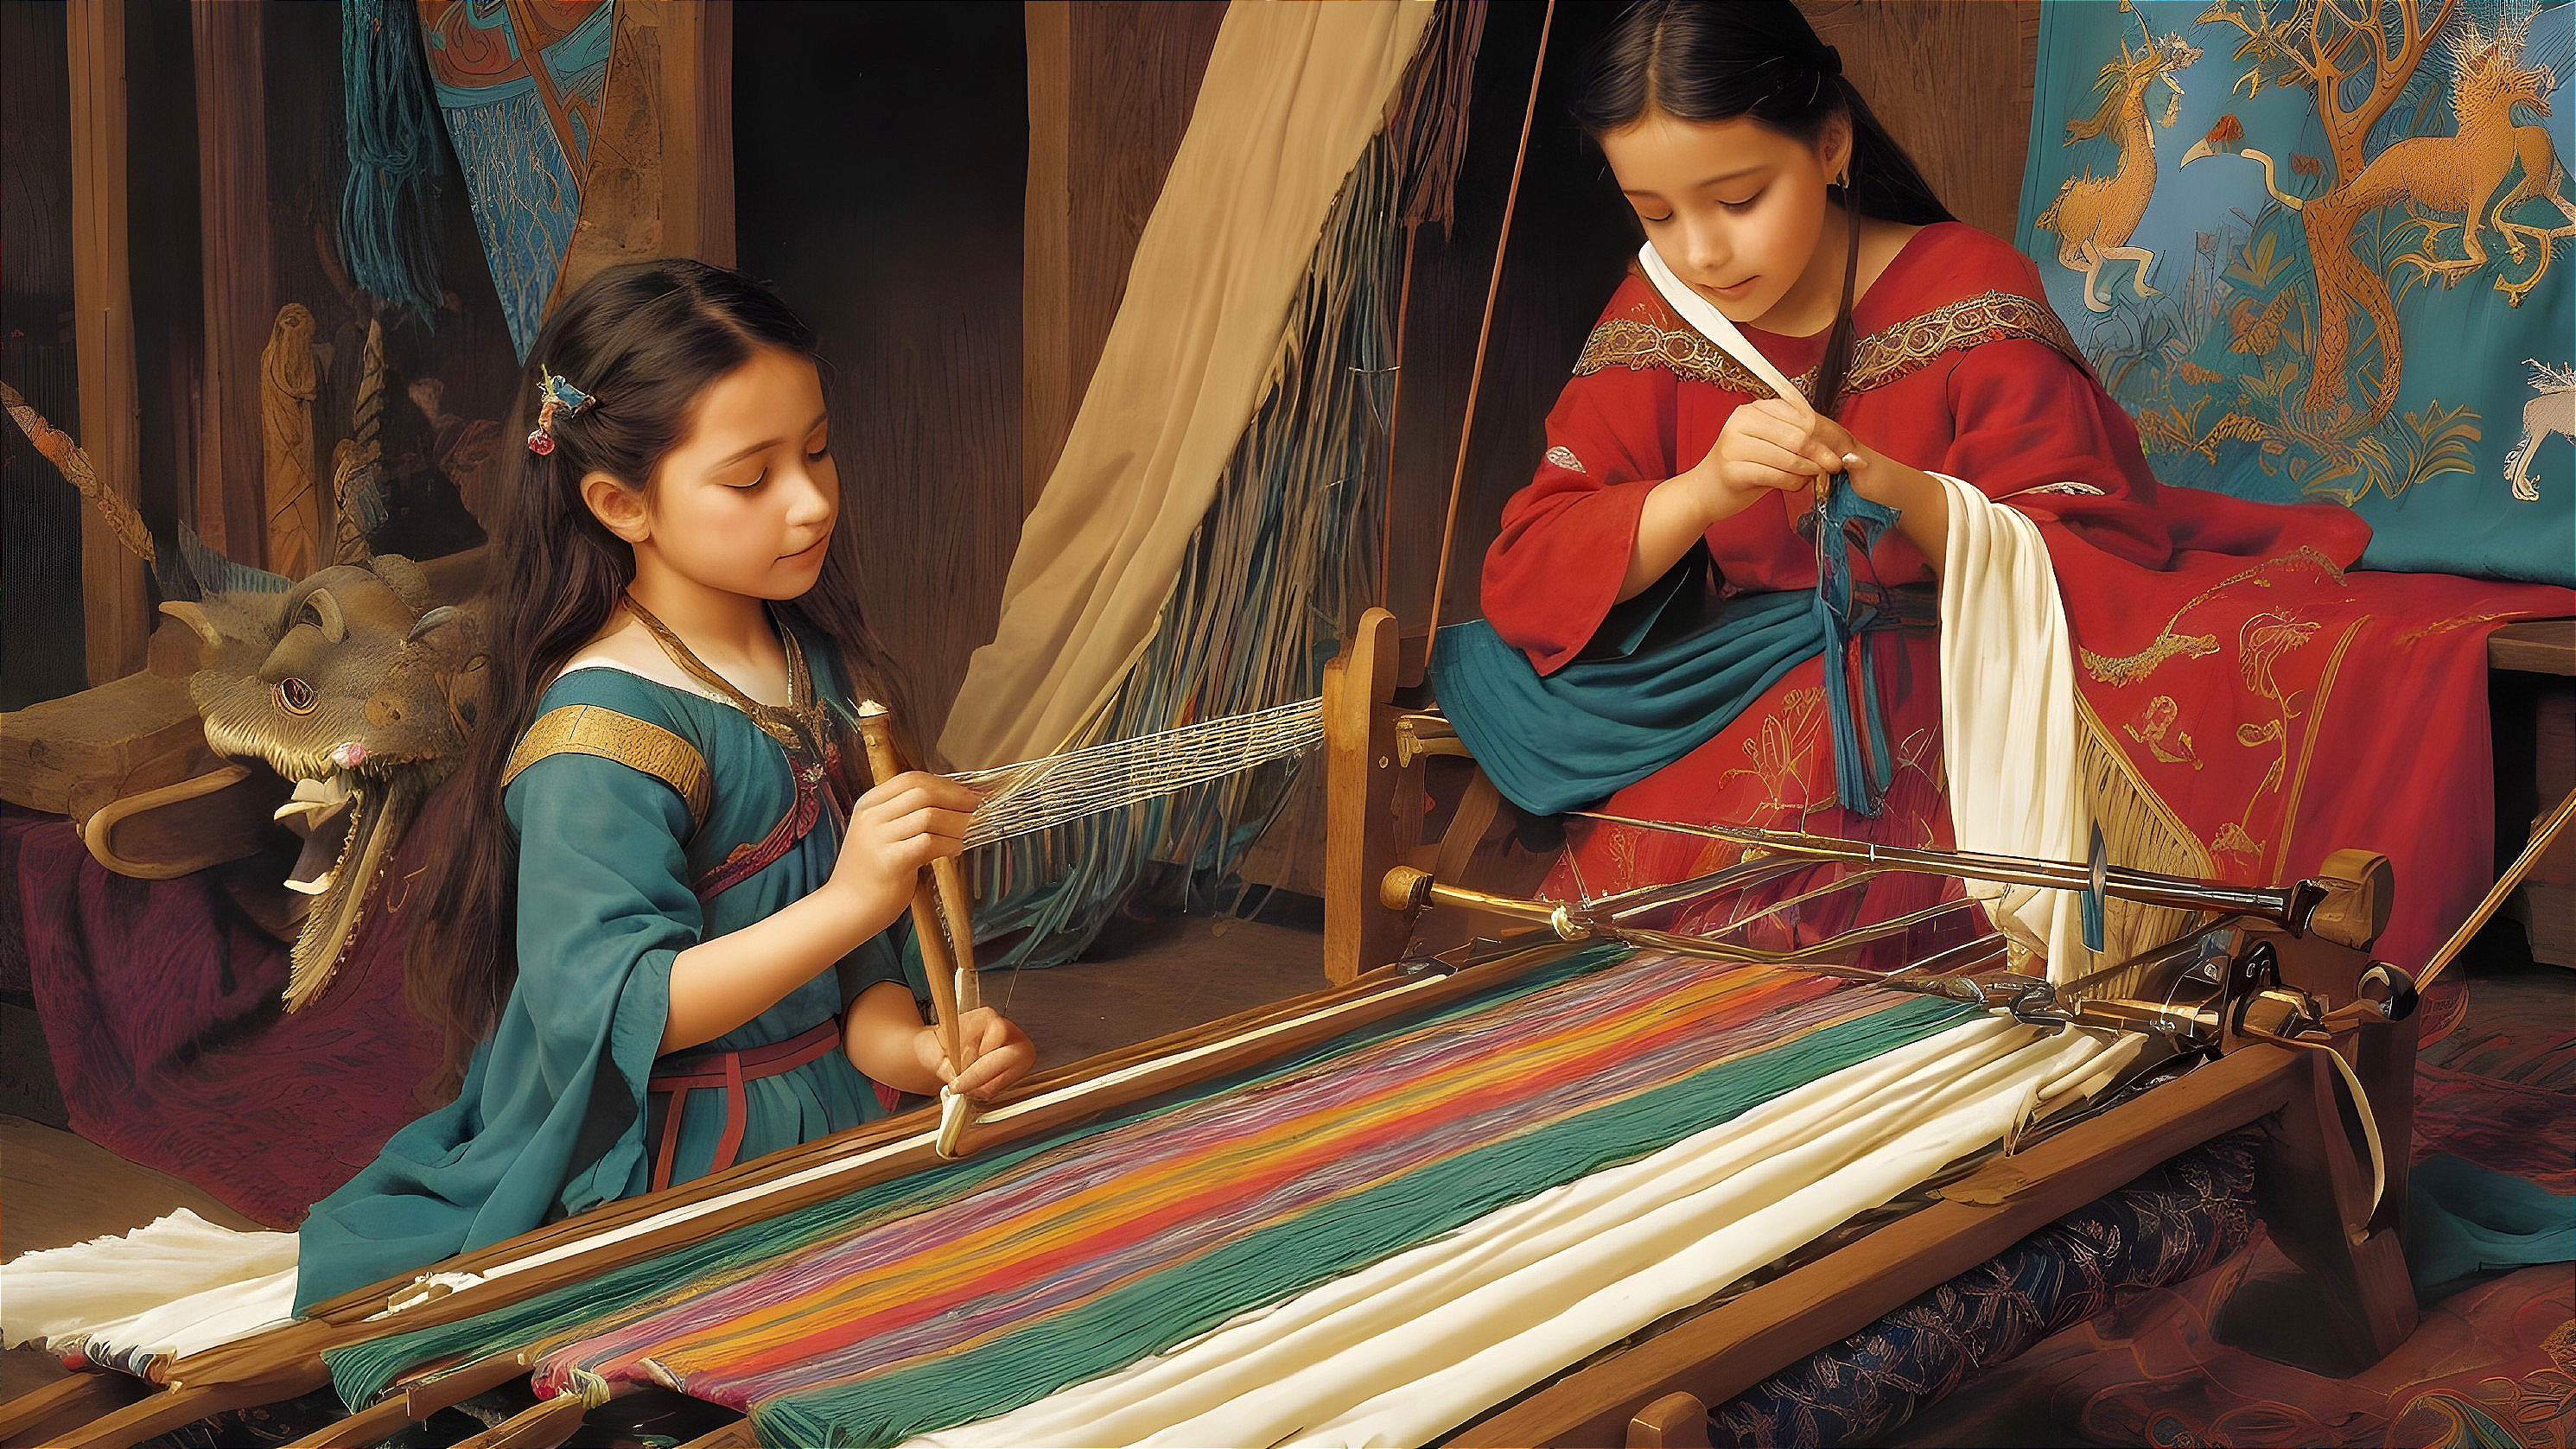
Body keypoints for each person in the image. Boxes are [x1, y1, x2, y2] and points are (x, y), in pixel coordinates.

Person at [1447, 0, 2570, 976]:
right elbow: (1534, 569)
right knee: (1626, 947)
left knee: (1788, 946)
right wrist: (1696, 492)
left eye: (1737, 197)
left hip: (1952, 676)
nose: (1699, 249)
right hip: (1756, 680)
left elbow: (2083, 541)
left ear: (1828, 144)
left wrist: (1909, 492)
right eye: (1656, 213)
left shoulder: (1964, 285)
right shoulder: (1661, 314)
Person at [290, 259, 1035, 1310]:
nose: (812, 500)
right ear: (618, 502)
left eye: (818, 450)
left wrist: (917, 1047)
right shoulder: (602, 732)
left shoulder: (808, 663)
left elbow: (853, 970)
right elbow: (621, 1006)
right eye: (751, 478)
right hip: (674, 1148)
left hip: (834, 1102)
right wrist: (853, 895)